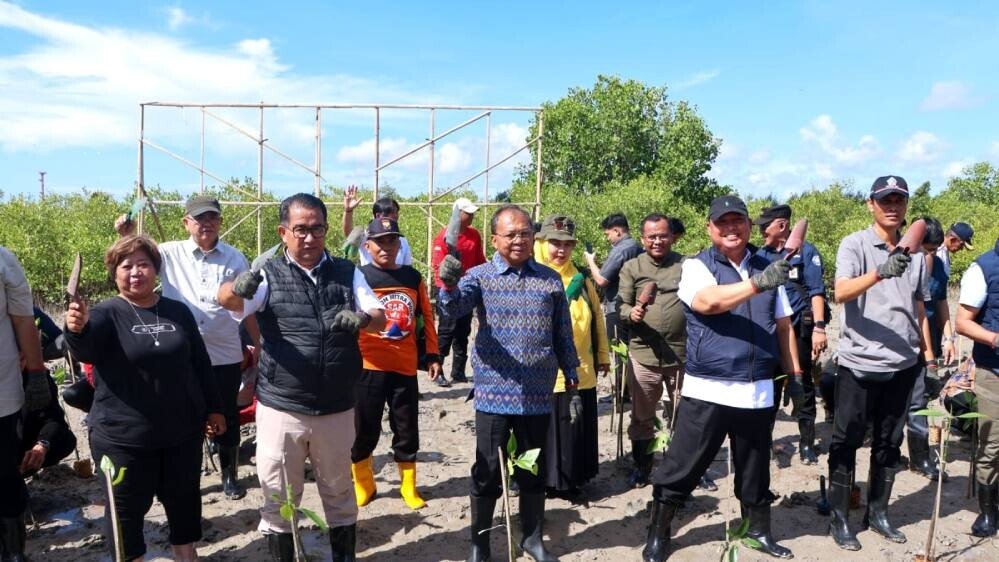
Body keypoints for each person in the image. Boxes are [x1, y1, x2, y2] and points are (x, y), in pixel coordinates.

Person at [217, 193, 386, 562]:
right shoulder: (268, 276)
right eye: (300, 230)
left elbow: (380, 316)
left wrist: (361, 320)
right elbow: (227, 301)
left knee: (340, 493)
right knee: (279, 496)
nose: (309, 238)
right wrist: (235, 287)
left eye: (317, 229)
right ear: (283, 232)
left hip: (336, 408)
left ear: (326, 230)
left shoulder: (347, 272)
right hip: (283, 408)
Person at [643, 195, 800, 562]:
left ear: (749, 225)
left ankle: (758, 530)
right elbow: (708, 302)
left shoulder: (767, 264)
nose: (731, 228)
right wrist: (759, 283)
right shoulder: (698, 266)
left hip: (758, 389)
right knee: (683, 465)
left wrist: (796, 375)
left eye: (738, 221)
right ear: (709, 228)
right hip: (709, 389)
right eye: (723, 223)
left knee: (755, 467)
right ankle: (659, 532)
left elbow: (783, 325)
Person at [64, 235, 225, 562]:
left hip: (181, 434)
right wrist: (76, 329)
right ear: (115, 273)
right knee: (125, 514)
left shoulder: (177, 311)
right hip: (123, 439)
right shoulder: (107, 314)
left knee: (184, 505)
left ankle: (186, 556)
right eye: (126, 266)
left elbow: (200, 363)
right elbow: (87, 348)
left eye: (143, 264)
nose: (135, 272)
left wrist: (215, 408)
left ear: (156, 270)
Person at [437, 204, 579, 562]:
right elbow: (452, 310)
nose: (519, 240)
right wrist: (449, 284)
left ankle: (531, 538)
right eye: (511, 234)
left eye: (525, 233)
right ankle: (479, 544)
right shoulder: (479, 276)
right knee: (486, 471)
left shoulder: (549, 279)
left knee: (533, 467)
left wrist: (573, 382)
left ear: (534, 237)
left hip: (537, 393)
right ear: (496, 238)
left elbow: (562, 334)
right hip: (493, 392)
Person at [116, 194, 258, 500]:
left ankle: (230, 476)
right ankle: (186, 476)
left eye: (212, 218)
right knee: (184, 415)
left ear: (220, 221)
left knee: (228, 414)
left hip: (224, 351)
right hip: (180, 355)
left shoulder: (235, 258)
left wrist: (257, 344)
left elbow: (244, 306)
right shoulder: (167, 253)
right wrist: (126, 234)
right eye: (199, 218)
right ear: (186, 223)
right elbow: (137, 258)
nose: (206, 224)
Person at [827, 175, 934, 550]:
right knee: (846, 440)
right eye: (884, 199)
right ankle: (840, 518)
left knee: (889, 443)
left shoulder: (920, 256)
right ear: (871, 204)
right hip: (859, 363)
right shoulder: (855, 244)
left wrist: (930, 357)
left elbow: (920, 307)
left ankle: (878, 513)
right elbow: (840, 292)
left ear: (905, 206)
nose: (892, 206)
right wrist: (879, 272)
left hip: (903, 364)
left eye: (898, 200)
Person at [351, 217, 442, 511]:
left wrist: (433, 354)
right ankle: (364, 483)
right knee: (365, 428)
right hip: (367, 365)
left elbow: (426, 315)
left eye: (393, 240)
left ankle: (408, 486)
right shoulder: (358, 276)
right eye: (380, 241)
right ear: (368, 245)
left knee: (406, 429)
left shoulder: (412, 277)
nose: (387, 247)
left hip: (403, 367)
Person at [535, 214, 609, 500]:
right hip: (542, 374)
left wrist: (603, 355)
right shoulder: (532, 276)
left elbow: (597, 320)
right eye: (554, 243)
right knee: (544, 429)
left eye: (567, 244)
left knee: (572, 428)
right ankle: (541, 482)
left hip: (580, 370)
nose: (560, 250)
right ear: (541, 243)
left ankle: (571, 481)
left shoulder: (581, 279)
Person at [753, 204, 829, 465]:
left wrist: (819, 327)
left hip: (800, 328)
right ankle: (764, 443)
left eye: (766, 225)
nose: (761, 230)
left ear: (782, 225)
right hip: (770, 331)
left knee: (803, 383)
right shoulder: (760, 255)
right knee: (769, 384)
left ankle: (807, 444)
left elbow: (817, 290)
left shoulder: (806, 251)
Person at [617, 214, 686, 489]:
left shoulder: (686, 265)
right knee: (642, 415)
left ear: (672, 236)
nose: (657, 240)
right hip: (643, 355)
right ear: (643, 239)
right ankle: (643, 466)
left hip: (681, 355)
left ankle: (686, 468)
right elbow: (620, 304)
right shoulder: (632, 267)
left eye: (662, 235)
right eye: (651, 236)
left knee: (684, 414)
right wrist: (630, 313)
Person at [0, 245, 48, 562]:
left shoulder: (3, 260)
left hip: (3, 394)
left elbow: (23, 321)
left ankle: (14, 551)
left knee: (5, 473)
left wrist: (37, 374)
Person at [955, 235, 999, 537]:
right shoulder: (983, 268)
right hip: (993, 371)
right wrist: (996, 339)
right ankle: (988, 512)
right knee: (992, 442)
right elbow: (962, 322)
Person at [906, 217, 954, 481]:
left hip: (929, 343)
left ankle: (920, 458)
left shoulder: (937, 268)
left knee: (919, 400)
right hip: (899, 342)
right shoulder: (900, 263)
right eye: (925, 250)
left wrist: (948, 337)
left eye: (934, 250)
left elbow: (942, 303)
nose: (929, 256)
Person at [584, 213, 643, 402]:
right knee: (629, 351)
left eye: (608, 234)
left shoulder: (621, 249)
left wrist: (590, 261)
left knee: (619, 351)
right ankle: (626, 392)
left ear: (617, 230)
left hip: (617, 308)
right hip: (634, 307)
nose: (608, 238)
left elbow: (601, 280)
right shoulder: (637, 247)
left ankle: (620, 394)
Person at [431, 197, 486, 386]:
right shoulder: (444, 237)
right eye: (467, 213)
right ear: (458, 213)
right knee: (446, 330)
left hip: (468, 289)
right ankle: (437, 370)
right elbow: (439, 267)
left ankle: (459, 372)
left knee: (463, 330)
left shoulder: (474, 236)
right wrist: (446, 288)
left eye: (472, 213)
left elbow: (480, 261)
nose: (471, 216)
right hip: (448, 289)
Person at [19, 308, 77, 476]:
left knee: (63, 440)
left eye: (22, 356)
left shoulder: (35, 377)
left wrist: (42, 444)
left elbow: (54, 419)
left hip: (16, 452)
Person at [341, 185, 414, 266]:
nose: (396, 216)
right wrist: (348, 211)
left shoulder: (402, 240)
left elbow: (407, 267)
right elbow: (349, 233)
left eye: (396, 212)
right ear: (378, 216)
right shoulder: (366, 236)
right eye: (391, 212)